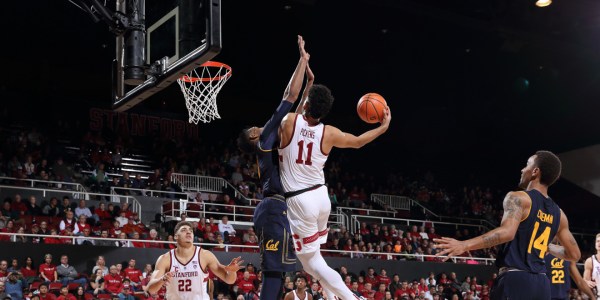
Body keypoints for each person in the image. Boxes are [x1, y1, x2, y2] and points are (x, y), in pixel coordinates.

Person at [277, 37, 391, 299]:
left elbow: (290, 99)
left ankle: (352, 298)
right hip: (321, 197)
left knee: (311, 264)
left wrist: (305, 70)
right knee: (318, 262)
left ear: (305, 105)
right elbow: (360, 142)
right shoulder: (330, 133)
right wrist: (382, 127)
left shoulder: (288, 122)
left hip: (300, 200)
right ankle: (331, 296)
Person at [434, 150, 581, 300]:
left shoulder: (519, 198)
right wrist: (548, 247)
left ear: (535, 171)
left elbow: (507, 232)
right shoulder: (560, 214)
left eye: (527, 165)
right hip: (542, 284)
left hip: (515, 279)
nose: (522, 170)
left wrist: (464, 245)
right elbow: (574, 255)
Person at [236, 35, 310, 300]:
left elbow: (294, 117)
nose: (260, 126)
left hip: (279, 208)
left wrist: (309, 84)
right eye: (255, 128)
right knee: (273, 271)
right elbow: (288, 96)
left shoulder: (269, 144)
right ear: (254, 136)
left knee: (279, 272)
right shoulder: (264, 141)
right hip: (272, 208)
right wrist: (302, 60)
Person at [145, 221, 243, 300]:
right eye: (183, 230)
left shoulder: (205, 255)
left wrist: (232, 272)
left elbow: (229, 279)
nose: (188, 232)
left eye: (190, 231)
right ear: (175, 236)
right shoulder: (165, 259)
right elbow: (151, 289)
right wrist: (162, 279)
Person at [584, 233, 600, 298]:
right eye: (598, 241)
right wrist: (587, 282)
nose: (599, 243)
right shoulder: (590, 261)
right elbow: (585, 280)